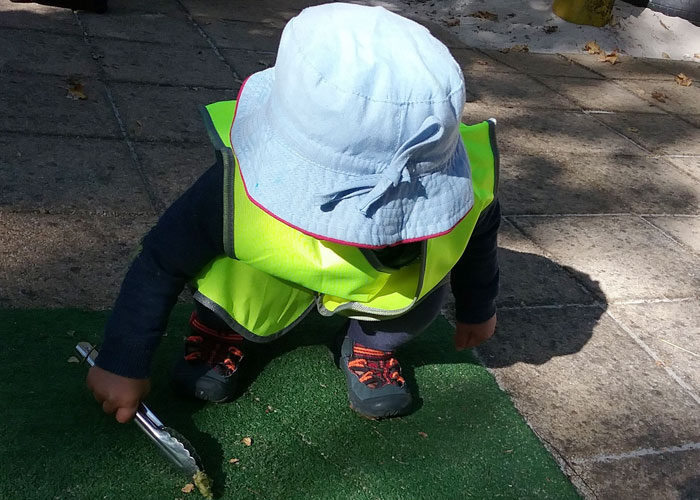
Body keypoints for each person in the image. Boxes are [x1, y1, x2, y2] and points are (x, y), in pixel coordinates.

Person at [86, 3, 501, 422]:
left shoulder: (468, 195)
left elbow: (476, 239)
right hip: (273, 267)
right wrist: (122, 360)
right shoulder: (232, 191)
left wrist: (477, 308)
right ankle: (221, 330)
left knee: (420, 286)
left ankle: (370, 346)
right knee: (226, 260)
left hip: (376, 282)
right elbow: (162, 258)